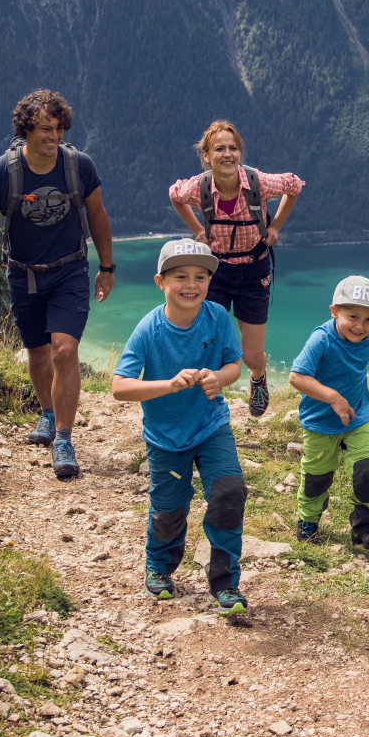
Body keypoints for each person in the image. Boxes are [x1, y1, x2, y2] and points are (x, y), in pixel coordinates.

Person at [0, 89, 116, 481]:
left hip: (69, 271)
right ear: (26, 128)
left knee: (64, 351)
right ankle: (47, 413)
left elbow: (97, 214)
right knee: (38, 353)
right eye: (46, 129)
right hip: (24, 274)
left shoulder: (78, 166)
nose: (55, 136)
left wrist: (107, 266)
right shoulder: (3, 171)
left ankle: (63, 438)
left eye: (60, 128)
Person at [113, 237, 249, 614]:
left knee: (229, 492)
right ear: (161, 282)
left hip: (211, 426)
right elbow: (119, 387)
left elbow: (234, 366)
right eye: (181, 277)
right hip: (166, 437)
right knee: (170, 509)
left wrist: (220, 379)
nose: (191, 285)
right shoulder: (149, 329)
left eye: (201, 277)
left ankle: (225, 583)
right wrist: (169, 385)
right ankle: (159, 565)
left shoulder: (217, 317)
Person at [166, 120, 304, 419]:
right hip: (216, 273)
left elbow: (294, 185)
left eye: (233, 148)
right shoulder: (199, 188)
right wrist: (197, 230)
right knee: (207, 344)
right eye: (219, 149)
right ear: (206, 156)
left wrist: (276, 225)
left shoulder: (257, 183)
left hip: (255, 273)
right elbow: (175, 195)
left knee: (252, 356)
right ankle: (204, 408)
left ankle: (258, 377)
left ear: (240, 152)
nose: (227, 154)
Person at [287, 275, 369, 548]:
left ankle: (363, 526)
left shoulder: (368, 333)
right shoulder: (321, 340)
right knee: (317, 478)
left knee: (368, 471)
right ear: (334, 311)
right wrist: (332, 397)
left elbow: (368, 345)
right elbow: (296, 377)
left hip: (357, 417)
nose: (360, 326)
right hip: (320, 421)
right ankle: (309, 521)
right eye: (352, 317)